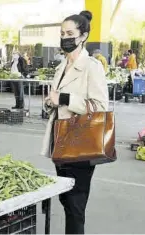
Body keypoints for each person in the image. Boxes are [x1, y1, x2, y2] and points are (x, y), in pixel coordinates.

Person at [42, 11, 108, 234]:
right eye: (62, 33)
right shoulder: (61, 67)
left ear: (83, 36)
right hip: (60, 140)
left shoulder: (92, 66)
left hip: (81, 142)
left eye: (70, 33)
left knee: (75, 206)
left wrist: (63, 99)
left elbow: (99, 106)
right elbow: (56, 100)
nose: (65, 38)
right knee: (66, 200)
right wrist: (50, 103)